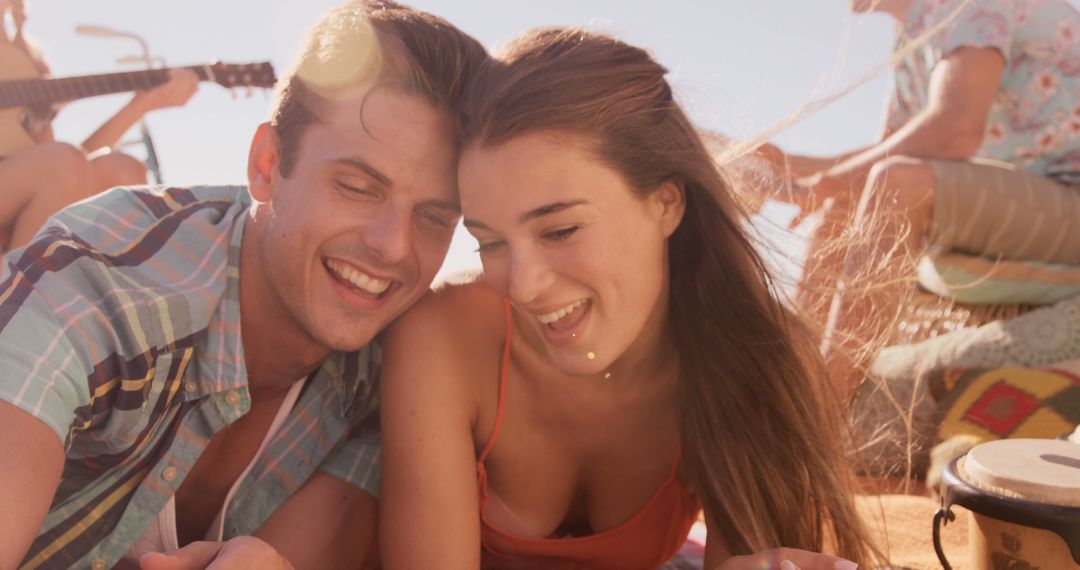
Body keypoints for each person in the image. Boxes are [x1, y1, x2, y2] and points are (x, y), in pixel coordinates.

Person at [0, 2, 485, 568]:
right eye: (357, 186)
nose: (394, 246)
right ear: (266, 164)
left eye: (433, 216)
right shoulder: (98, 288)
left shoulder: (389, 373)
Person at [379, 28, 876, 570]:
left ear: (665, 203)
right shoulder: (445, 339)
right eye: (491, 242)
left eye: (560, 230)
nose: (522, 285)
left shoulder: (755, 359)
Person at [763, 0, 1080, 400]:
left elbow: (954, 131)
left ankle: (824, 413)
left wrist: (823, 182)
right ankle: (793, 389)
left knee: (886, 185)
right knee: (846, 198)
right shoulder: (915, 35)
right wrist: (782, 165)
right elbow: (883, 155)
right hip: (1044, 197)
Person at [0, 0, 200, 250]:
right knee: (61, 160)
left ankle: (98, 285)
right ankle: (20, 286)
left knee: (121, 169)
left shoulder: (25, 64)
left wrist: (139, 106)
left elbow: (66, 169)